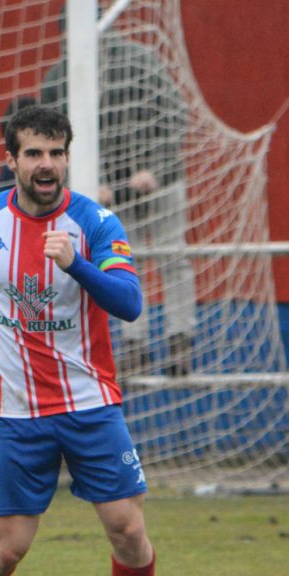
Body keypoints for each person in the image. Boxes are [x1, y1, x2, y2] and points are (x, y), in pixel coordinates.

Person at [0, 106, 156, 576]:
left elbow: (130, 303)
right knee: (6, 551)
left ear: (67, 158)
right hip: (15, 411)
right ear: (12, 160)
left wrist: (77, 265)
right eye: (33, 153)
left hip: (89, 403)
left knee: (128, 531)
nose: (45, 163)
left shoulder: (96, 223)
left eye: (55, 152)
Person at [41, 15, 195, 376]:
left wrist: (154, 169)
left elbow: (176, 115)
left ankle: (180, 342)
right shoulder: (59, 77)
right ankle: (135, 346)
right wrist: (87, 180)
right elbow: (53, 139)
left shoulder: (141, 60)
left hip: (163, 180)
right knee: (122, 263)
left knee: (172, 258)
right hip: (111, 192)